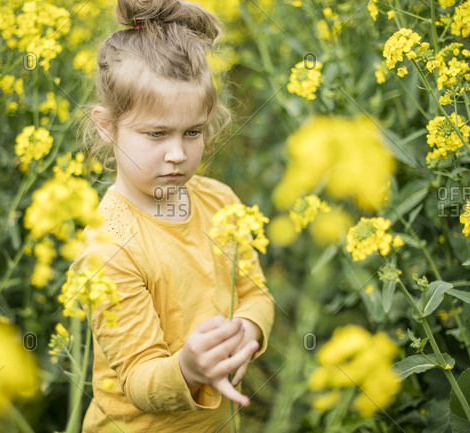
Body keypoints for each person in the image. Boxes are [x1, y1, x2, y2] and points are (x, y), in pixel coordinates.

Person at [75, 0, 274, 431]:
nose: (178, 155)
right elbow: (138, 380)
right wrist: (189, 367)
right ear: (107, 127)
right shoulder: (108, 246)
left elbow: (255, 291)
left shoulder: (220, 202)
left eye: (193, 132)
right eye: (156, 134)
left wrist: (248, 330)